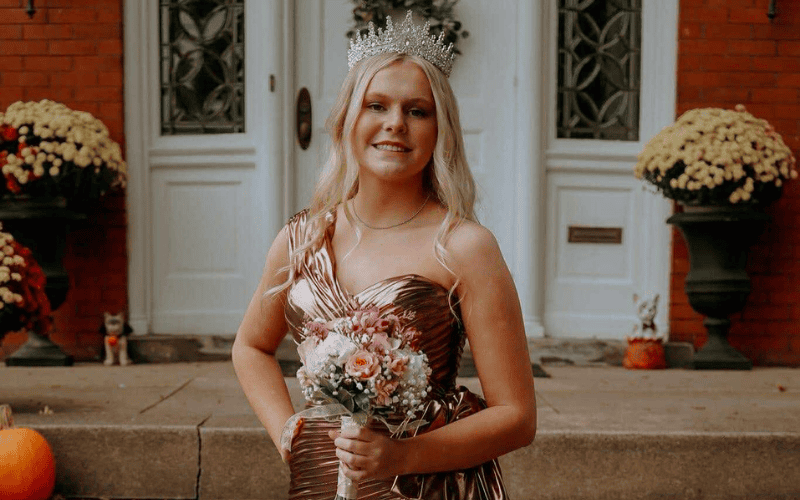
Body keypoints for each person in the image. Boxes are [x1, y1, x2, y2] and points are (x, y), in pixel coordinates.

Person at [232, 11, 536, 499]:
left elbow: (517, 418)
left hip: (425, 485)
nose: (395, 123)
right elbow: (250, 347)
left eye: (417, 111)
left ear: (441, 130)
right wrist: (287, 431)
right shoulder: (303, 237)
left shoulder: (464, 247)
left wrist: (401, 457)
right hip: (320, 478)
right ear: (347, 118)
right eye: (377, 105)